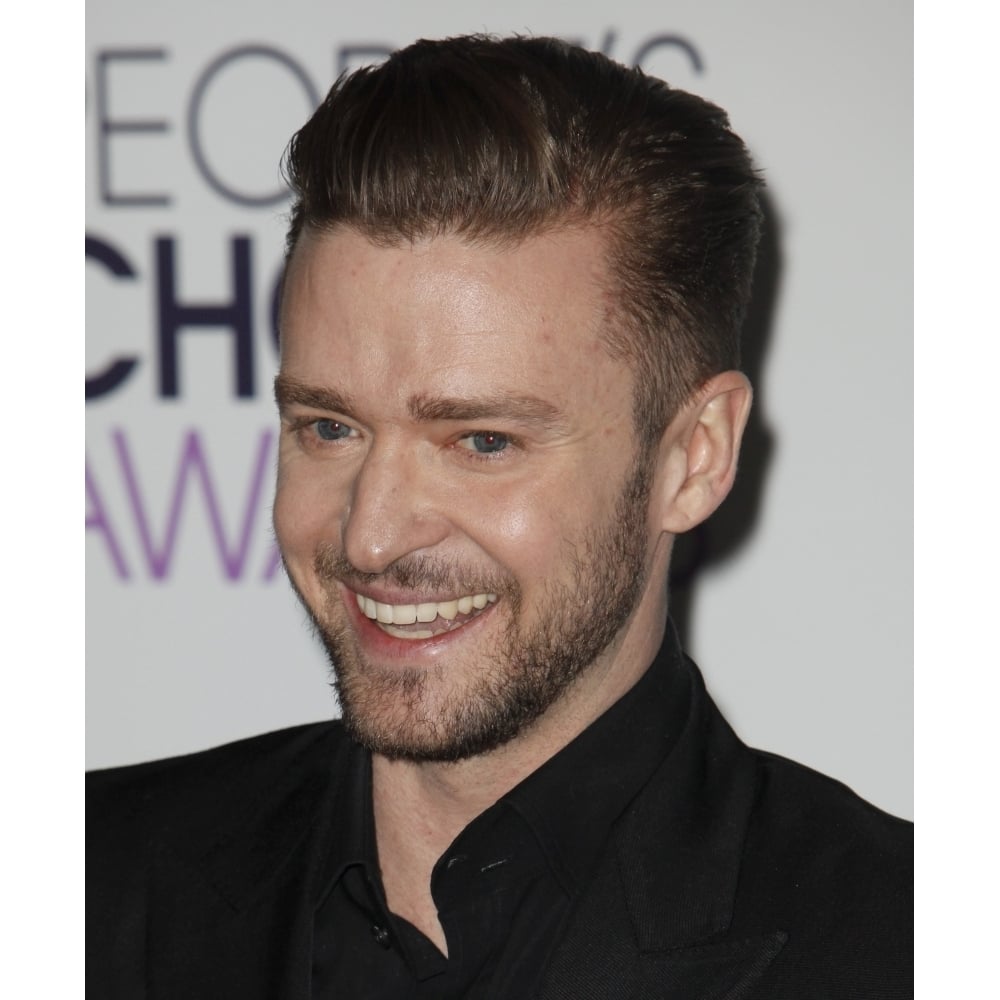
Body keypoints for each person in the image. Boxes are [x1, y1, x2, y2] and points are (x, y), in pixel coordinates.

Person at [86, 34, 912, 999]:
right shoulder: (78, 880)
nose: (370, 536)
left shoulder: (905, 943)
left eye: (481, 442)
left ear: (694, 457)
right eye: (329, 426)